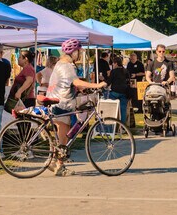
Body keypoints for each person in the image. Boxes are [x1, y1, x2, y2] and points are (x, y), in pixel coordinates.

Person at [46, 38, 106, 176]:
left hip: (59, 101)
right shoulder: (66, 66)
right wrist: (98, 85)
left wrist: (81, 89)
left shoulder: (61, 64)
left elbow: (70, 84)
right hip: (61, 104)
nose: (79, 54)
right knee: (63, 138)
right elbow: (76, 81)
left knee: (63, 137)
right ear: (73, 52)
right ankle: (58, 165)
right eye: (78, 52)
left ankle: (54, 162)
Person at [106, 55, 129, 125]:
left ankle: (112, 125)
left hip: (115, 92)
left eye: (113, 63)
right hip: (124, 92)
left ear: (116, 63)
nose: (113, 64)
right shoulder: (126, 71)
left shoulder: (113, 71)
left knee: (112, 109)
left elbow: (109, 82)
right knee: (123, 110)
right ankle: (123, 126)